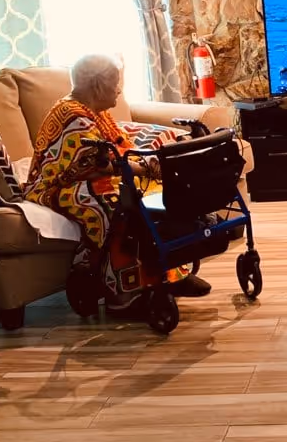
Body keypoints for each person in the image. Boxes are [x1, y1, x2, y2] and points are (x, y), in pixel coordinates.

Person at [24, 53, 211, 314]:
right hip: (57, 188)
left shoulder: (96, 112)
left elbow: (120, 149)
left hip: (94, 175)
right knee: (116, 202)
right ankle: (122, 293)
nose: (119, 90)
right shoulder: (72, 115)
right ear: (97, 85)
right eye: (115, 84)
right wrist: (147, 168)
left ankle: (170, 275)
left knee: (153, 192)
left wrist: (151, 165)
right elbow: (94, 165)